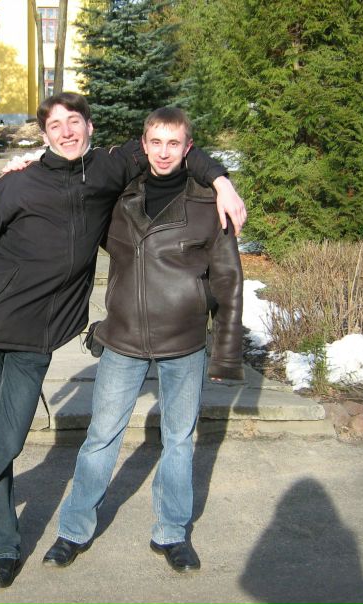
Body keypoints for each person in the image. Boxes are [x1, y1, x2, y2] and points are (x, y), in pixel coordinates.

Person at [0, 93, 245, 590]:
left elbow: (177, 147)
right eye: (55, 125)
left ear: (90, 127)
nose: (66, 131)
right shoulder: (24, 185)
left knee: (6, 439)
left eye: (74, 122)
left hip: (43, 333)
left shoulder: (110, 172)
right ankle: (3, 547)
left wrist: (222, 181)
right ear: (43, 135)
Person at [42, 107, 244, 573]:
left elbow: (229, 283)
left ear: (188, 149)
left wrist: (226, 354)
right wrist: (24, 165)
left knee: (179, 441)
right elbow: (69, 186)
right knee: (100, 437)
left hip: (184, 342)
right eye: (156, 142)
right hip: (124, 339)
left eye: (174, 143)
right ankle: (73, 529)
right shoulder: (120, 197)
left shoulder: (209, 205)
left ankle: (172, 532)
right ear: (144, 144)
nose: (164, 152)